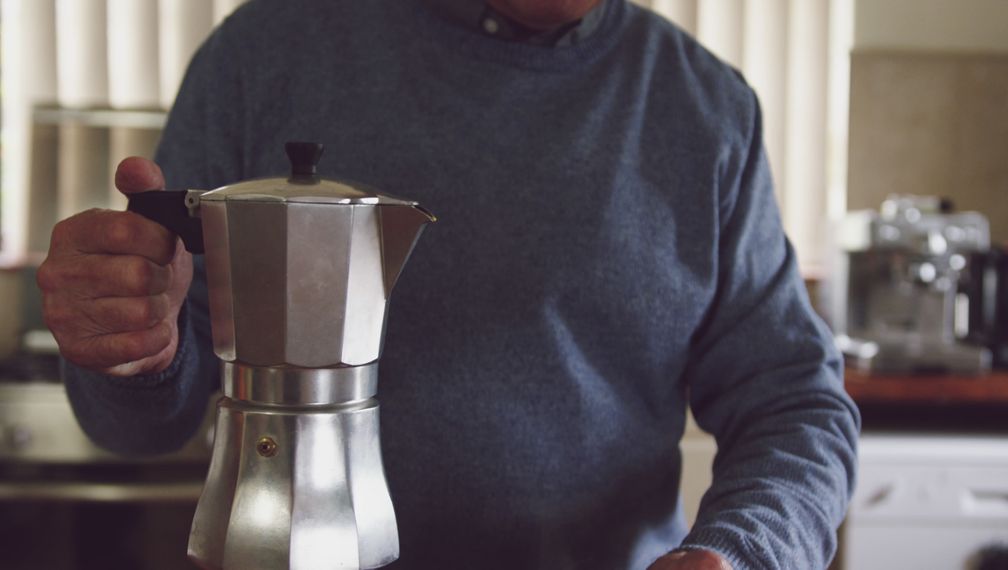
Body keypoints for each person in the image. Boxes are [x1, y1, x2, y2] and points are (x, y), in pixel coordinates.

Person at [37, 0, 860, 568]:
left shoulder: (706, 109)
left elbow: (795, 402)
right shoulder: (267, 51)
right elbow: (144, 419)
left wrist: (739, 551)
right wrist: (129, 349)